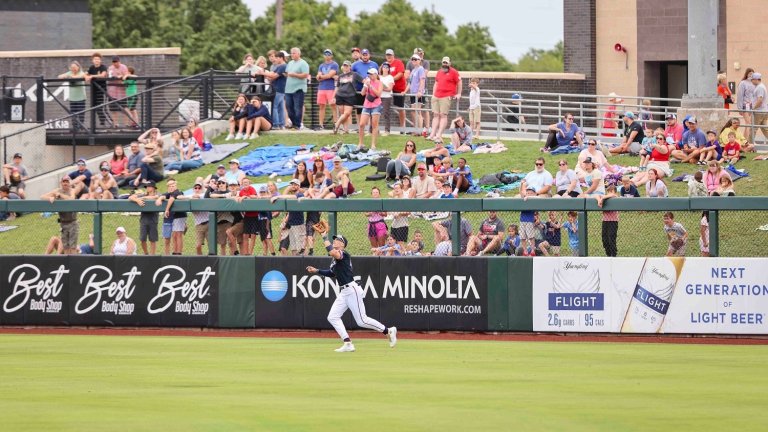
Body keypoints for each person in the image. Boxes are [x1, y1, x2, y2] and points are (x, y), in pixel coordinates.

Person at [305, 232, 397, 353]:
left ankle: (388, 330)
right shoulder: (335, 259)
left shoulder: (344, 254)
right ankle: (347, 343)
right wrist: (317, 271)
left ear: (343, 244)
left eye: (337, 240)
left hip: (351, 290)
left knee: (361, 320)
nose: (335, 241)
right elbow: (332, 273)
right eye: (334, 239)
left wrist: (324, 237)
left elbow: (333, 252)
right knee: (332, 317)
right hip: (344, 292)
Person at [41, 176, 79, 254]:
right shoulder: (57, 190)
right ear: (61, 183)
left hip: (72, 222)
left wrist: (60, 195)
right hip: (63, 223)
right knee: (65, 247)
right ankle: (67, 264)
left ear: (70, 183)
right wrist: (50, 198)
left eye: (67, 182)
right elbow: (42, 197)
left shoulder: (72, 190)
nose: (65, 183)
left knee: (73, 247)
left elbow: (71, 199)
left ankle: (74, 264)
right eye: (64, 181)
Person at [428, 57, 461, 142]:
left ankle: (439, 135)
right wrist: (433, 94)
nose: (445, 64)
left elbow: (459, 82)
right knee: (435, 115)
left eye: (446, 63)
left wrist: (459, 93)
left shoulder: (454, 72)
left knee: (443, 115)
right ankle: (432, 134)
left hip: (446, 96)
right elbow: (436, 83)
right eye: (444, 63)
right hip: (436, 96)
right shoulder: (439, 71)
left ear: (449, 63)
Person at [271, 179, 305, 254]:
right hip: (291, 224)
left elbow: (294, 197)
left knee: (300, 249)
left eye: (295, 184)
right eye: (292, 184)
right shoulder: (289, 196)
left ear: (299, 186)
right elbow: (285, 196)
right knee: (294, 249)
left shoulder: (300, 194)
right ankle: (295, 265)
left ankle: (304, 263)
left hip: (299, 225)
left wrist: (278, 197)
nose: (293, 186)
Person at [156, 179, 187, 255]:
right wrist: (159, 199)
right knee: (174, 235)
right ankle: (175, 252)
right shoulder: (169, 193)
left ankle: (178, 253)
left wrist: (166, 210)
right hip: (174, 217)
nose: (171, 186)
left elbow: (172, 199)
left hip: (180, 215)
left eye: (173, 184)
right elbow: (163, 196)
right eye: (169, 185)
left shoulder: (177, 192)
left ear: (176, 184)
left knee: (178, 234)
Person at [128, 180, 160, 255]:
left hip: (153, 219)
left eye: (149, 186)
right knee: (142, 239)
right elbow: (130, 197)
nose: (147, 188)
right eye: (146, 187)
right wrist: (137, 200)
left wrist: (144, 197)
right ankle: (146, 254)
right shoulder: (143, 194)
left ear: (153, 187)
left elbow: (156, 197)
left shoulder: (157, 193)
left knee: (153, 239)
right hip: (144, 219)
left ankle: (152, 256)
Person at [332, 60, 362, 134]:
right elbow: (337, 87)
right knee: (343, 114)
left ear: (350, 67)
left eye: (347, 65)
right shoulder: (340, 76)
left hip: (350, 96)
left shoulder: (354, 74)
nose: (345, 67)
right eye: (344, 65)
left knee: (347, 113)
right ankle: (346, 130)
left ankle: (336, 124)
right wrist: (333, 97)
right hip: (340, 95)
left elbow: (364, 81)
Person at [285, 47, 310, 130]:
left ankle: (297, 125)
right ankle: (293, 123)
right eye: (291, 53)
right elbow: (288, 73)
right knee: (289, 107)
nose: (292, 54)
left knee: (297, 107)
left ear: (299, 54)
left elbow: (305, 75)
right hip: (288, 89)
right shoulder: (290, 63)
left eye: (294, 53)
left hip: (298, 89)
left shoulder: (303, 63)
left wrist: (295, 75)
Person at [58, 61, 87, 130]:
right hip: (72, 98)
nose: (73, 69)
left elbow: (82, 76)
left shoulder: (81, 73)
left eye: (75, 67)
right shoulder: (69, 73)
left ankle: (81, 128)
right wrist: (66, 76)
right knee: (73, 114)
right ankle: (75, 128)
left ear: (78, 67)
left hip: (81, 98)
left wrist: (72, 77)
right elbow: (59, 76)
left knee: (81, 114)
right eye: (72, 67)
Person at [351, 48, 379, 122]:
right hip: (359, 90)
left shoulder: (374, 64)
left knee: (370, 108)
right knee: (359, 109)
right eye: (363, 55)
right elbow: (350, 75)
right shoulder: (355, 65)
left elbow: (378, 77)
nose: (365, 57)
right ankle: (360, 126)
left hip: (371, 90)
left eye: (366, 55)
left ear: (369, 55)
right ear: (361, 56)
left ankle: (370, 127)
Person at [358, 68, 383, 149]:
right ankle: (360, 143)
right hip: (367, 104)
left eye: (372, 74)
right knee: (361, 124)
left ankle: (373, 144)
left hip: (376, 105)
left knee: (374, 125)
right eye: (369, 74)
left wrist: (371, 86)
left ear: (376, 74)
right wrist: (365, 86)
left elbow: (378, 94)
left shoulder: (379, 83)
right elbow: (362, 93)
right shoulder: (367, 82)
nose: (370, 75)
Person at [84, 52, 110, 127]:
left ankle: (107, 122)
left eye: (98, 59)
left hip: (101, 90)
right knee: (93, 107)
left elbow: (103, 75)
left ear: (100, 60)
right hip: (93, 90)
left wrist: (92, 76)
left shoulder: (103, 67)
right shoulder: (91, 67)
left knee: (101, 107)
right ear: (92, 60)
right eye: (95, 59)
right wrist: (86, 76)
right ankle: (95, 125)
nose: (96, 60)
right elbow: (86, 73)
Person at [383, 49, 407, 130]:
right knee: (385, 107)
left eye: (390, 55)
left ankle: (402, 127)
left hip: (399, 88)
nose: (389, 56)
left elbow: (400, 74)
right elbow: (381, 74)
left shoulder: (398, 63)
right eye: (387, 55)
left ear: (393, 55)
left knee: (400, 108)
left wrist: (390, 79)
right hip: (387, 89)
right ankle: (386, 127)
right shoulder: (384, 64)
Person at [263, 50, 287, 130]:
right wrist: (269, 76)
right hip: (281, 89)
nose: (275, 59)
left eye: (276, 58)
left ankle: (276, 124)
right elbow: (272, 76)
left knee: (275, 107)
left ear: (281, 58)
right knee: (280, 107)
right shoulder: (282, 66)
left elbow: (273, 76)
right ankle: (282, 124)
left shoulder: (282, 66)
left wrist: (262, 73)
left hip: (278, 89)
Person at [316, 49, 339, 129]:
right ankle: (320, 124)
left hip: (331, 88)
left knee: (333, 106)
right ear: (323, 56)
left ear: (331, 56)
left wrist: (323, 76)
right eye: (325, 54)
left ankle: (335, 124)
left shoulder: (334, 64)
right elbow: (318, 77)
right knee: (321, 106)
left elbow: (329, 75)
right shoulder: (321, 65)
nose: (327, 56)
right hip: (321, 88)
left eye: (329, 54)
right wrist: (326, 76)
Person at [106, 56, 130, 128]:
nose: (115, 63)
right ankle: (115, 124)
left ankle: (126, 124)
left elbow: (126, 75)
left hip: (121, 92)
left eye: (116, 62)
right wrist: (114, 77)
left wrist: (121, 77)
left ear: (119, 61)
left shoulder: (123, 67)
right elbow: (109, 77)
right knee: (113, 109)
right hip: (112, 92)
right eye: (114, 62)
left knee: (125, 108)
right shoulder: (110, 68)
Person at [405, 54, 427, 135]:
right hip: (412, 93)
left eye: (415, 59)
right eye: (412, 59)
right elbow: (409, 83)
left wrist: (420, 91)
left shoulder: (421, 69)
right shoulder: (413, 70)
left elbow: (422, 80)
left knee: (418, 111)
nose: (414, 61)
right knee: (413, 111)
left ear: (419, 60)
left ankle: (419, 131)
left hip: (418, 94)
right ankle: (416, 129)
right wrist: (405, 91)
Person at [736, 68, 755, 142]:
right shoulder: (743, 83)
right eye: (750, 73)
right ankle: (745, 141)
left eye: (752, 73)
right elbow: (740, 96)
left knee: (750, 124)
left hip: (752, 106)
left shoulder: (754, 83)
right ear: (746, 74)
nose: (751, 75)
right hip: (745, 105)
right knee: (748, 123)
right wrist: (740, 108)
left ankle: (746, 140)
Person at [750, 72, 768, 143]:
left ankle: (749, 145)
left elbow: (760, 100)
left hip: (759, 111)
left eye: (752, 79)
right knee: (764, 128)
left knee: (753, 128)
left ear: (756, 79)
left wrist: (753, 108)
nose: (751, 81)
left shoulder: (760, 87)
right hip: (763, 110)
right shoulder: (761, 86)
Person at [378, 62, 394, 136]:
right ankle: (374, 130)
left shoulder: (390, 77)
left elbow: (389, 89)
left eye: (387, 67)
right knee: (376, 113)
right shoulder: (379, 77)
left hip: (386, 97)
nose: (385, 68)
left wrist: (381, 88)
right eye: (384, 67)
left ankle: (387, 130)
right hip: (378, 97)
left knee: (385, 114)